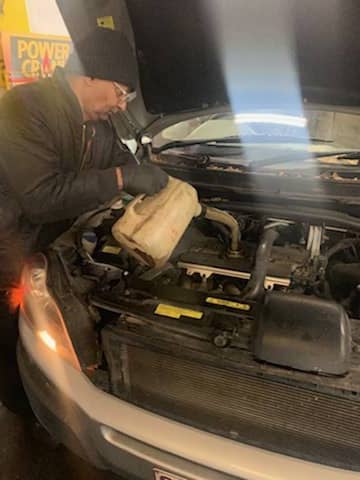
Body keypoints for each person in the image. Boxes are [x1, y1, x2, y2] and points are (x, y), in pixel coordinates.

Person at [0, 27, 168, 252]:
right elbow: (39, 199)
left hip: (45, 249)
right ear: (90, 76)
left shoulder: (98, 123)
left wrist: (152, 179)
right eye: (121, 93)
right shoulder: (26, 107)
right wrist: (120, 178)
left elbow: (119, 161)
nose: (123, 105)